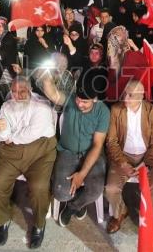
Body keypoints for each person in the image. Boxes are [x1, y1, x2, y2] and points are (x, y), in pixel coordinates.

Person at [0, 76, 56, 249]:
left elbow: (32, 133)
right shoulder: (6, 106)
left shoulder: (42, 107)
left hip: (40, 152)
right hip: (11, 153)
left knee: (40, 187)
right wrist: (3, 131)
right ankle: (2, 221)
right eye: (14, 92)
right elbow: (2, 136)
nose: (17, 96)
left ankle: (39, 224)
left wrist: (11, 137)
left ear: (30, 90)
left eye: (22, 92)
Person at [104, 79, 153, 234]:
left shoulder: (152, 111)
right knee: (111, 189)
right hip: (122, 156)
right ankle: (120, 212)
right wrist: (123, 163)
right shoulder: (116, 110)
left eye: (130, 96)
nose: (125, 98)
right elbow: (111, 141)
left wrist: (147, 164)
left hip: (147, 157)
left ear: (141, 96)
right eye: (125, 93)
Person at [52, 77, 110, 227]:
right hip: (67, 151)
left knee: (95, 190)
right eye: (78, 99)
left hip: (91, 153)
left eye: (85, 102)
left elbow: (97, 145)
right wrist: (44, 77)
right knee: (60, 193)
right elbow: (52, 93)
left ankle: (73, 207)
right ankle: (78, 201)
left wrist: (82, 174)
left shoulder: (103, 112)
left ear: (95, 99)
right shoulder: (70, 100)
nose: (79, 104)